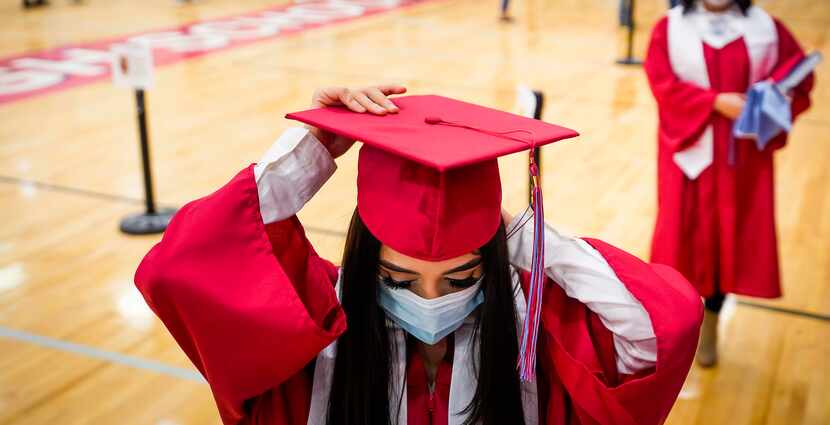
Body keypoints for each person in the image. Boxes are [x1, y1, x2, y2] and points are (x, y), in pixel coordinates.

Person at [136, 86, 703, 425]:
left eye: (461, 277)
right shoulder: (311, 343)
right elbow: (175, 268)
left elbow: (663, 327)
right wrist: (311, 153)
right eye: (398, 279)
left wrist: (523, 235)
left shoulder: (535, 348)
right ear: (363, 265)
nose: (431, 301)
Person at [644, 0, 815, 367]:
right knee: (682, 243)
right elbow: (662, 83)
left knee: (729, 246)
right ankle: (679, 326)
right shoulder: (672, 26)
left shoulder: (765, 28)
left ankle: (712, 327)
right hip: (690, 158)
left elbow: (797, 81)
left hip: (742, 161)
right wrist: (712, 102)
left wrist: (770, 102)